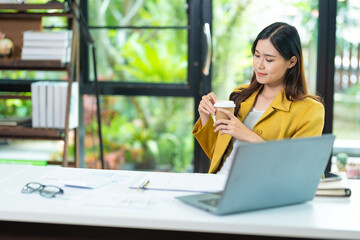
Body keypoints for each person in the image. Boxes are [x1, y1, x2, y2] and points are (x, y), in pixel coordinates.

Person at [193, 22, 325, 174]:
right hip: (220, 185)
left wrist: (250, 137)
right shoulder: (240, 95)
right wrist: (205, 116)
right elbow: (218, 155)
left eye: (269, 60)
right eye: (256, 55)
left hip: (263, 193)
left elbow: (300, 170)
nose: (259, 65)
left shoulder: (309, 109)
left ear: (291, 62)